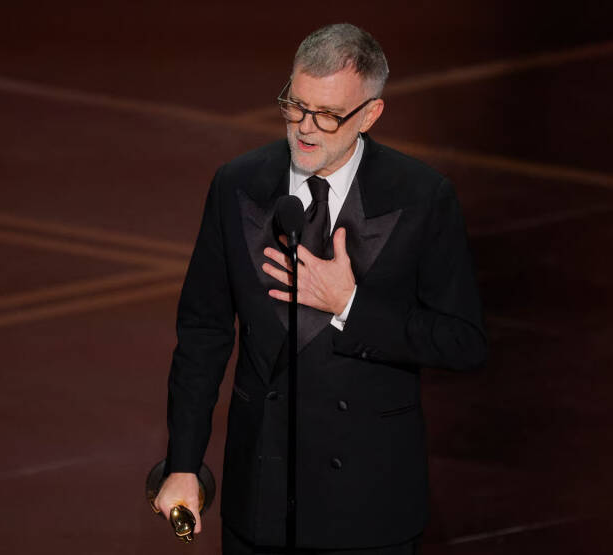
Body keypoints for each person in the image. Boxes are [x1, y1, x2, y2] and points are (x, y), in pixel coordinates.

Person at [153, 23, 487, 554]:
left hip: (368, 509)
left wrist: (348, 305)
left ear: (370, 114)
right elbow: (203, 334)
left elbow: (463, 341)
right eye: (295, 105)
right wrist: (183, 464)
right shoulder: (236, 183)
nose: (305, 128)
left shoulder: (423, 197)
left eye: (328, 115)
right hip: (259, 499)